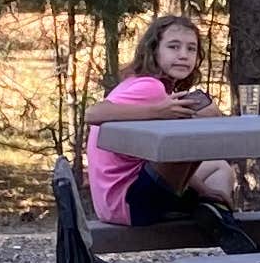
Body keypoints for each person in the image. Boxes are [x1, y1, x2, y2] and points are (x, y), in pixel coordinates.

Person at [84, 12, 243, 228]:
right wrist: (159, 110)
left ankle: (215, 213)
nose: (183, 55)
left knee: (219, 168)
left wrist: (206, 192)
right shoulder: (150, 87)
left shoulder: (140, 84)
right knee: (196, 125)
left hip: (112, 205)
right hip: (131, 202)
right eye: (173, 47)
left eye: (191, 49)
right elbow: (93, 114)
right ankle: (223, 223)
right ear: (154, 51)